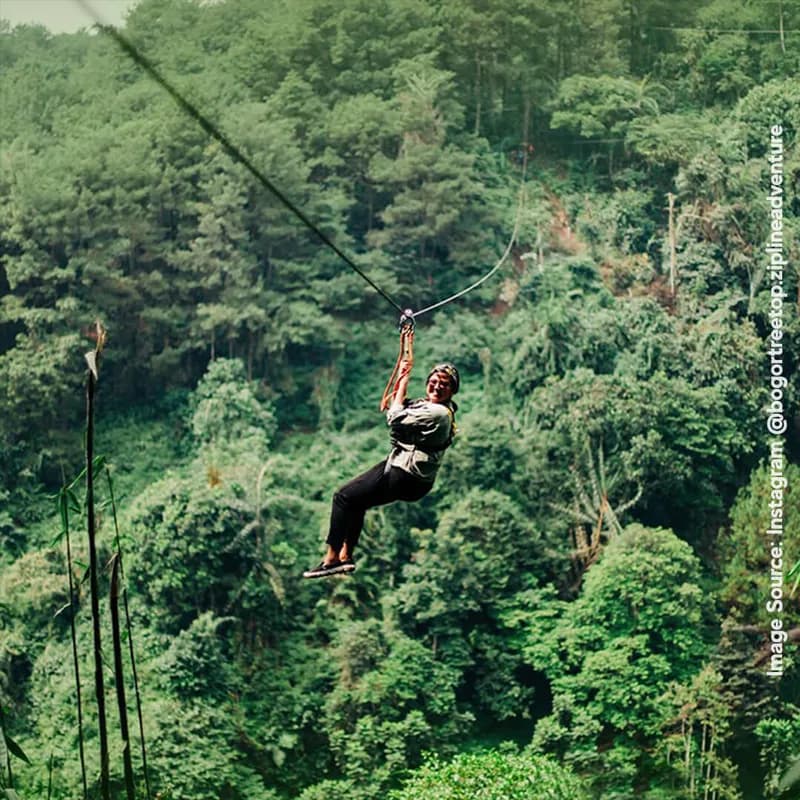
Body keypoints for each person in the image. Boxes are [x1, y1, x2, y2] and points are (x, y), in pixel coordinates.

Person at [303, 361, 459, 578]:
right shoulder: (439, 409)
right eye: (433, 382)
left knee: (342, 497)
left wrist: (403, 379)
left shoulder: (438, 413)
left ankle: (330, 559)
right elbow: (404, 407)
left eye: (445, 384)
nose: (437, 387)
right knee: (358, 502)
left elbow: (394, 418)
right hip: (417, 481)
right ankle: (345, 557)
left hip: (403, 472)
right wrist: (400, 388)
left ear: (452, 391)